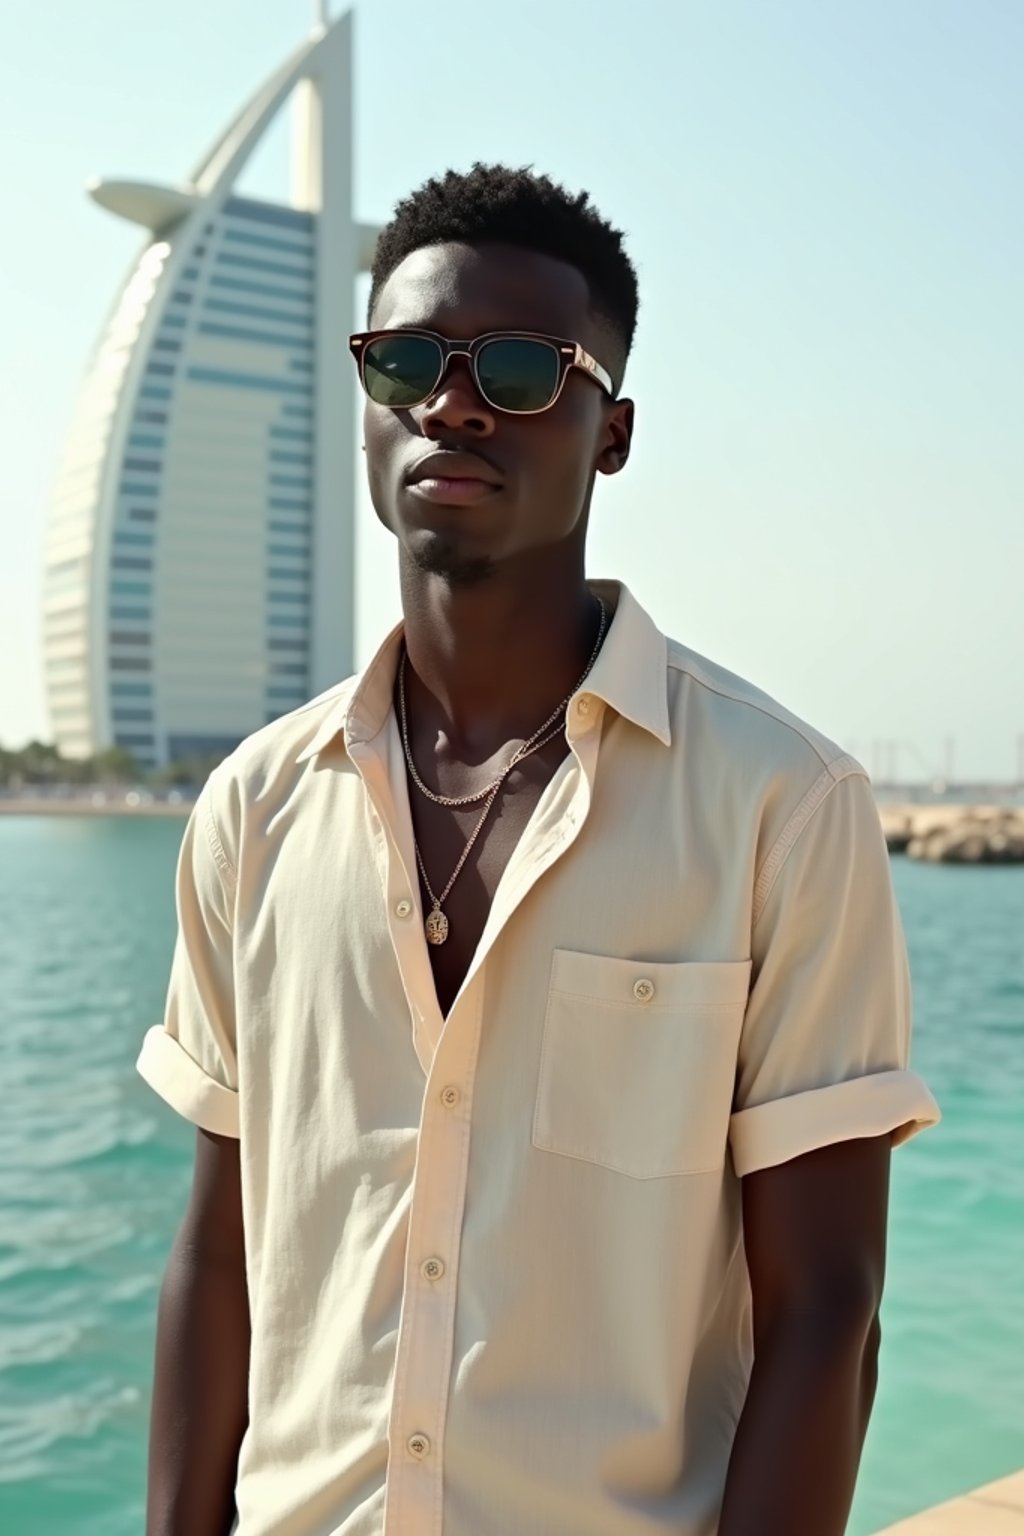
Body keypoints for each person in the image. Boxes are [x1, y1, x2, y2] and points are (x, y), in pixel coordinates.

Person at [137, 163, 939, 1536]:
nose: (453, 401)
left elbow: (828, 1317)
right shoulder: (256, 810)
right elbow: (223, 1257)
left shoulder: (779, 807)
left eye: (517, 366)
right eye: (407, 362)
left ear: (611, 431)